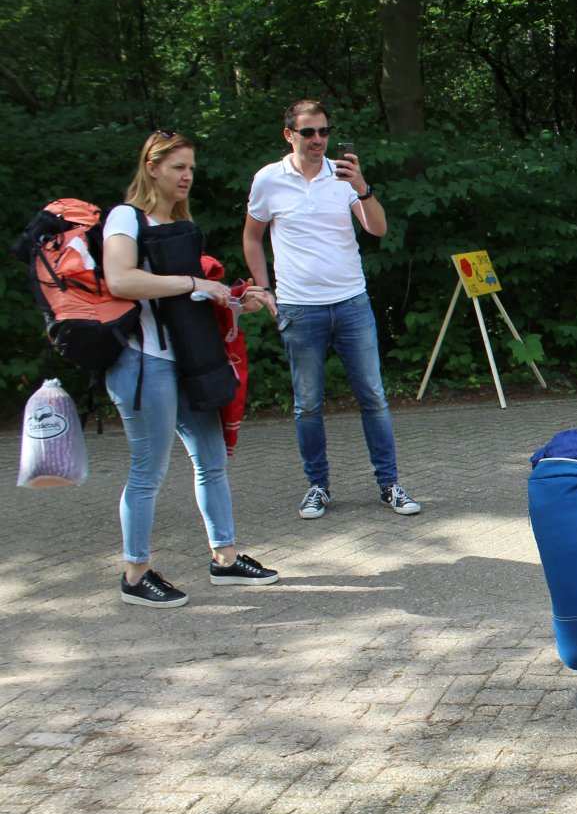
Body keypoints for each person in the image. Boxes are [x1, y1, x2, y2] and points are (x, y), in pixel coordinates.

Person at [102, 131, 281, 607]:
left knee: (212, 462)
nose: (187, 177)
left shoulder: (180, 224)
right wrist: (193, 281)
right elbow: (120, 279)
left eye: (191, 169)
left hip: (189, 361)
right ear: (153, 167)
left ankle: (225, 560)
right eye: (179, 167)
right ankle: (135, 573)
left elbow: (191, 302)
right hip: (144, 363)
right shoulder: (126, 218)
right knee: (148, 471)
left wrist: (238, 300)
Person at [242, 100, 421, 520]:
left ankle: (389, 484)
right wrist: (264, 289)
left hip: (351, 303)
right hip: (299, 308)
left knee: (374, 398)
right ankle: (317, 487)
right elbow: (252, 237)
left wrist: (362, 187)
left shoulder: (343, 177)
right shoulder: (269, 180)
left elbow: (378, 229)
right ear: (289, 134)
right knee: (307, 404)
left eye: (323, 131)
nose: (318, 139)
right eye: (309, 132)